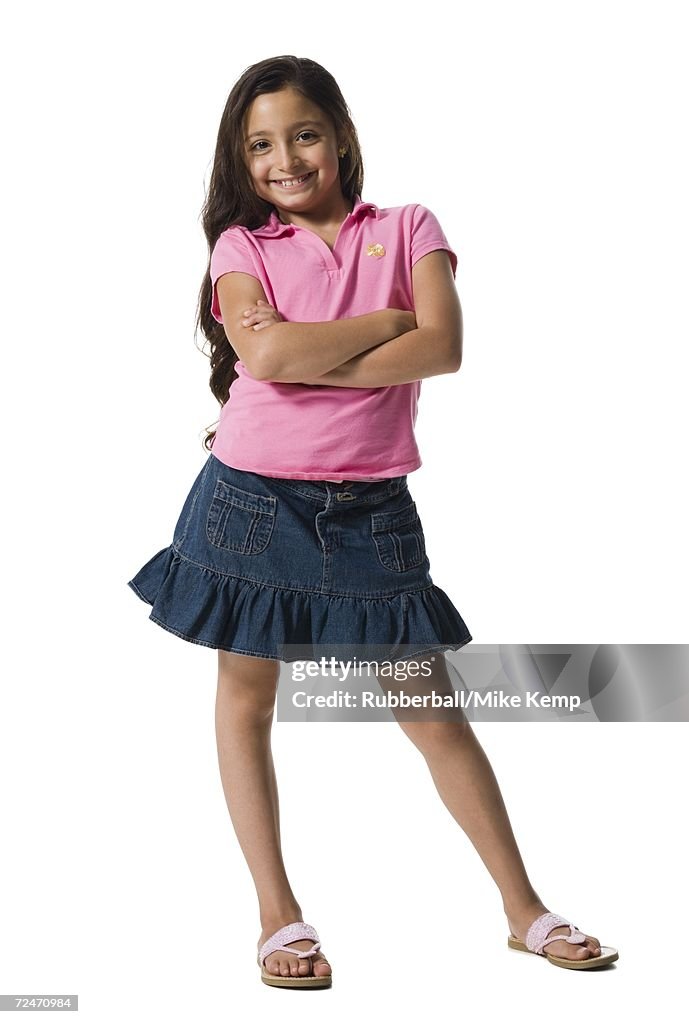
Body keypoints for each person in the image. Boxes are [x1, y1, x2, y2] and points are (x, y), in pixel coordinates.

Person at [127, 55, 618, 988]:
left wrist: (331, 350)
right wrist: (386, 323)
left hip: (372, 509)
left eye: (303, 134)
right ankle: (277, 913)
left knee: (430, 710)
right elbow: (264, 354)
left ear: (340, 137)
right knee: (247, 699)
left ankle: (523, 909)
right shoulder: (243, 246)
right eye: (260, 144)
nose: (285, 158)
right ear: (242, 158)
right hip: (249, 502)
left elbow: (445, 347)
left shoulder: (407, 226)